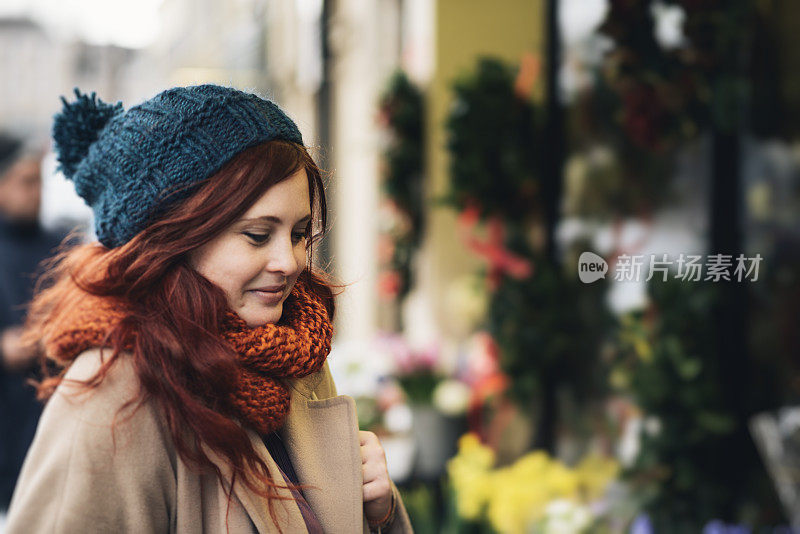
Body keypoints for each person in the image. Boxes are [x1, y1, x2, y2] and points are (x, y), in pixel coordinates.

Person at [5, 86, 412, 533]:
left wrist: (379, 513)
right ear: (172, 239)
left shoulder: (290, 353)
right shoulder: (115, 397)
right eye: (257, 235)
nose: (290, 262)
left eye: (299, 233)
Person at [0, 133, 65, 514]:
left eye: (39, 180)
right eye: (26, 181)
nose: (36, 192)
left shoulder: (61, 245)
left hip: (50, 427)